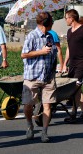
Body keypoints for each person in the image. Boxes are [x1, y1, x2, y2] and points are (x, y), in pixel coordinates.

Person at [21, 12, 57, 143]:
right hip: (33, 76)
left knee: (48, 106)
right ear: (46, 23)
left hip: (48, 76)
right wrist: (41, 52)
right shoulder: (32, 35)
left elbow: (53, 54)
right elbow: (23, 54)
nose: (53, 24)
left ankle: (44, 132)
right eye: (51, 21)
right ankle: (30, 125)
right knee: (28, 105)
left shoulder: (50, 37)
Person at [62, 10, 83, 122]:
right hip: (72, 63)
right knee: (77, 88)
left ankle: (73, 113)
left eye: (66, 18)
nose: (65, 20)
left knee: (75, 87)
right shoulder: (69, 32)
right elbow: (69, 48)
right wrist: (64, 64)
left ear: (72, 18)